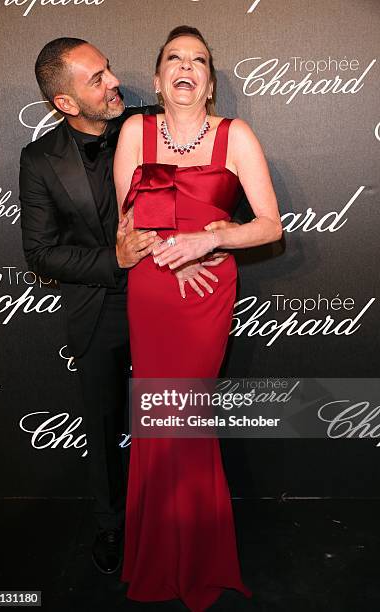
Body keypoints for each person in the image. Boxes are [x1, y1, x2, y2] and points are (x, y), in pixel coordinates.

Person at [19, 37, 229, 578]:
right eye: (97, 79)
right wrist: (112, 259)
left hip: (170, 295)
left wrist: (206, 238)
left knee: (172, 412)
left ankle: (174, 519)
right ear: (65, 102)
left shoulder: (149, 123)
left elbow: (210, 179)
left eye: (109, 69)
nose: (114, 82)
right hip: (102, 300)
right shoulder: (40, 160)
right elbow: (40, 252)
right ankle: (112, 523)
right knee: (106, 418)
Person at [114, 26, 282, 610]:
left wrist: (214, 241)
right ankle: (159, 556)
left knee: (186, 417)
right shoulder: (135, 131)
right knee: (159, 417)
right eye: (174, 59)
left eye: (199, 61)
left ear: (209, 84)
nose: (187, 67)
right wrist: (172, 256)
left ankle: (192, 557)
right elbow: (126, 225)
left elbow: (269, 226)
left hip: (207, 289)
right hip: (155, 288)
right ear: (158, 80)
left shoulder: (237, 137)